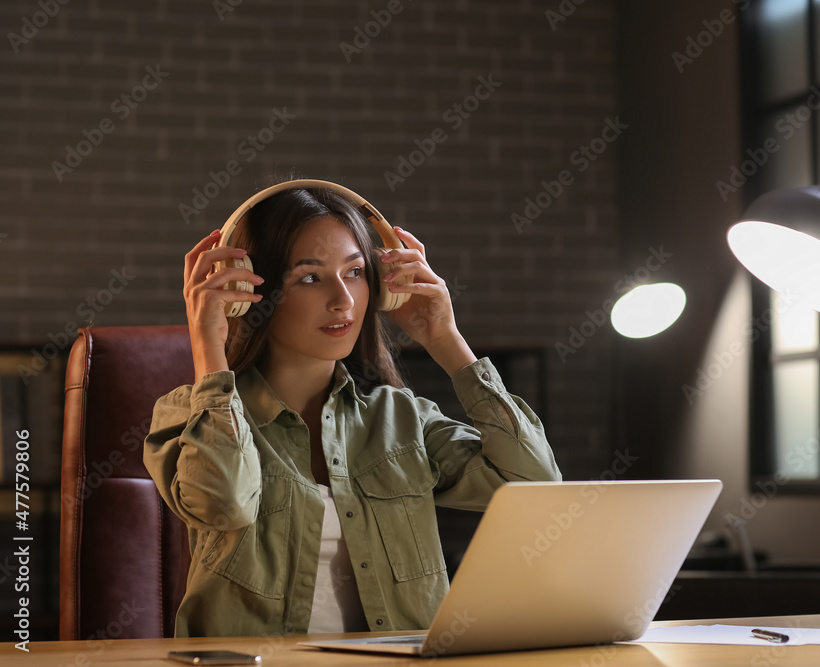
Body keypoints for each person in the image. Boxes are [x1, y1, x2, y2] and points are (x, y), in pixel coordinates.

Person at [144, 181, 561, 637]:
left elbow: (533, 483)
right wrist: (209, 344)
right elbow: (225, 504)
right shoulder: (189, 415)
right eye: (309, 277)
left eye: (356, 272)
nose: (343, 299)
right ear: (248, 291)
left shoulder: (400, 419)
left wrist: (445, 340)